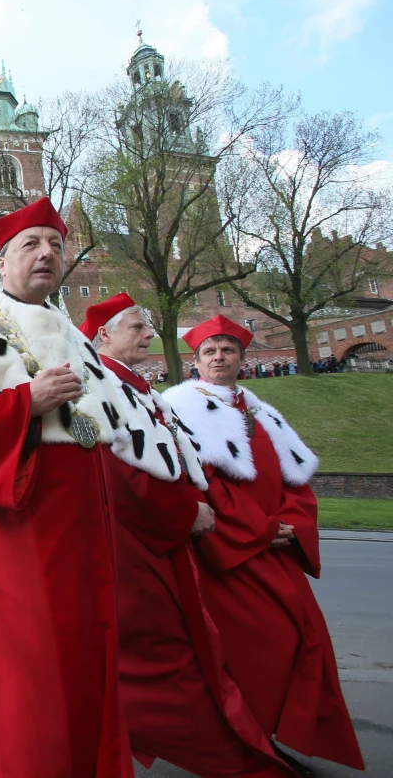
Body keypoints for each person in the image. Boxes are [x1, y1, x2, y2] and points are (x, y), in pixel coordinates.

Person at [0, 198, 156, 776]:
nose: (47, 253)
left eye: (56, 244)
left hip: (86, 543)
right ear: (0, 262)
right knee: (30, 683)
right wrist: (25, 403)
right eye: (30, 244)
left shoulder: (76, 335)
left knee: (87, 668)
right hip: (17, 541)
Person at [81, 296, 295, 777]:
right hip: (135, 550)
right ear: (103, 337)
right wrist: (187, 513)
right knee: (162, 663)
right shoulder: (101, 387)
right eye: (137, 327)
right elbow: (119, 477)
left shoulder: (136, 388)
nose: (147, 335)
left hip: (162, 542)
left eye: (147, 326)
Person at [165, 316, 365, 774]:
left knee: (305, 637)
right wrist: (259, 529)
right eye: (210, 352)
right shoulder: (180, 410)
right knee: (260, 650)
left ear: (242, 358)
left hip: (274, 548)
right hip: (231, 556)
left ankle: (268, 737)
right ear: (195, 363)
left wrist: (294, 524)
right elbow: (202, 487)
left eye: (228, 350)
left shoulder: (260, 411)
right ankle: (246, 744)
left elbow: (297, 481)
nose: (220, 358)